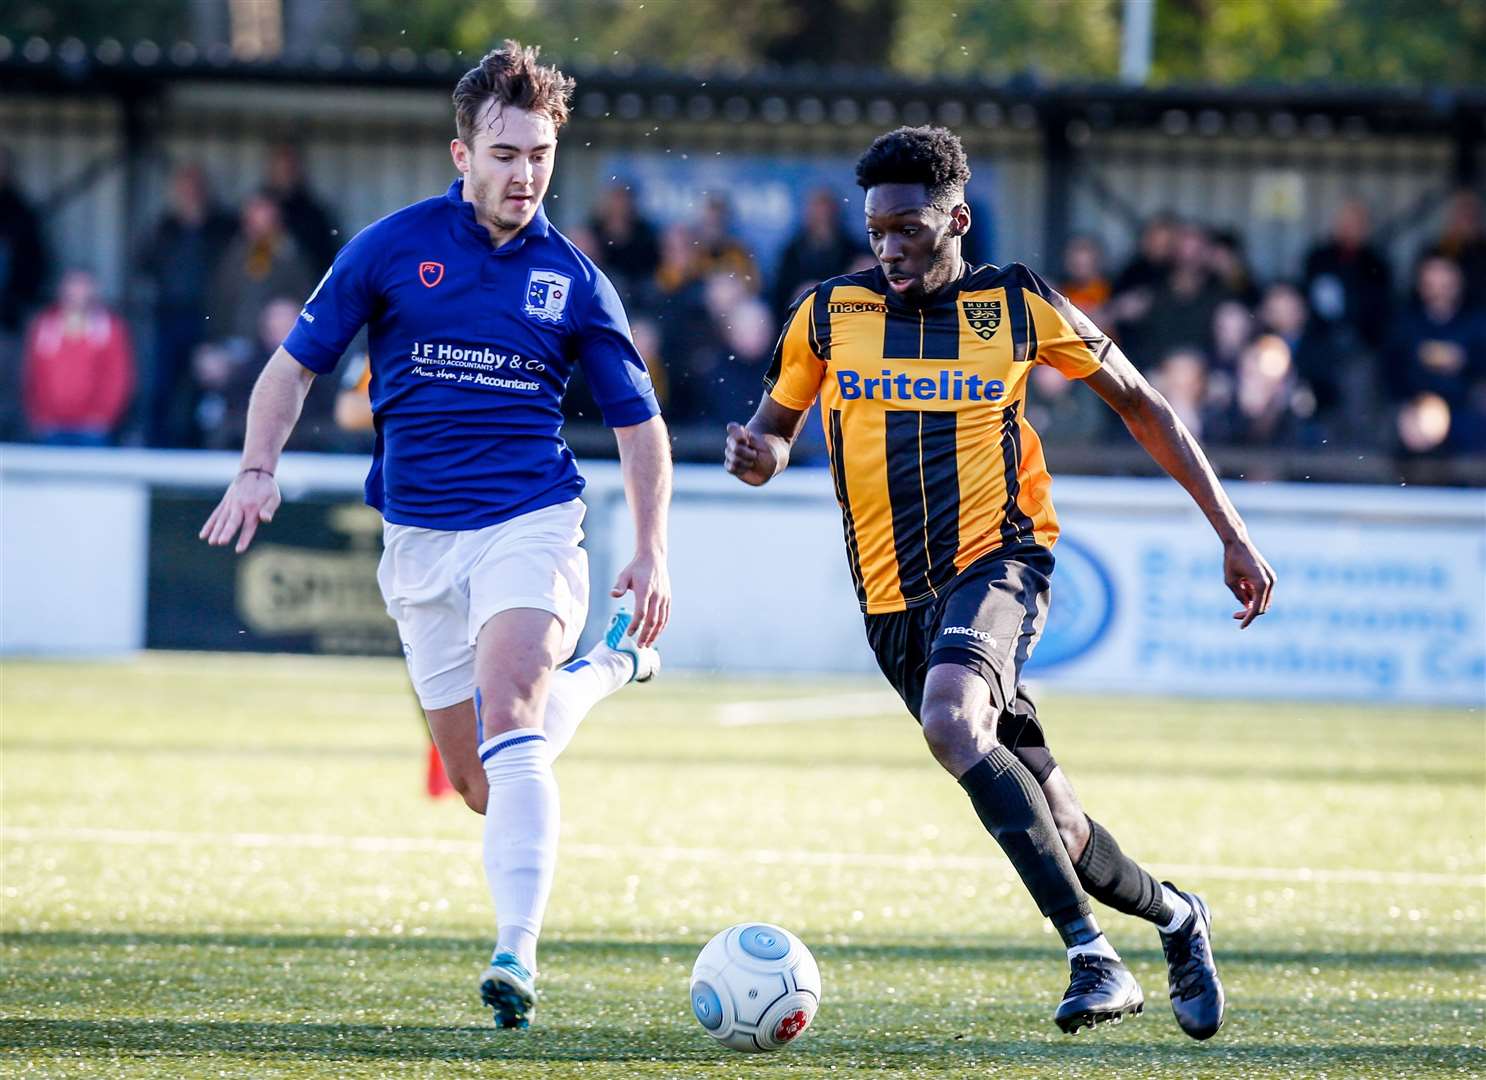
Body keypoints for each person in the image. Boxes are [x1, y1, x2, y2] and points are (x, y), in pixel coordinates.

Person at [724, 126, 1275, 1040]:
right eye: (877, 230)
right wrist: (756, 455)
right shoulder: (828, 313)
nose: (890, 246)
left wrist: (1233, 530)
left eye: (909, 226)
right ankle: (1179, 918)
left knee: (952, 721)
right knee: (1063, 828)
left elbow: (1142, 404)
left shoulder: (1017, 303)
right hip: (891, 601)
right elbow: (774, 435)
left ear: (957, 220)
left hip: (1001, 562)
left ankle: (1090, 955)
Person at [198, 41, 673, 1031]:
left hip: (530, 525)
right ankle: (607, 672)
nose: (525, 173)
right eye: (504, 153)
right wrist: (256, 467)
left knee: (509, 718)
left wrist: (650, 548)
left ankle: (516, 958)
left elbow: (640, 425)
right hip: (417, 546)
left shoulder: (576, 282)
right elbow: (291, 369)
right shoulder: (387, 248)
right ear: (461, 154)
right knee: (478, 782)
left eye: (540, 153)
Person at [138, 163, 238, 446]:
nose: (189, 193)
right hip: (168, 317)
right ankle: (156, 450)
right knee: (161, 387)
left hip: (207, 319)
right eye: (184, 187)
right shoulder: (165, 227)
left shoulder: (222, 227)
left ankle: (197, 451)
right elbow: (143, 264)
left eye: (195, 187)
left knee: (202, 393)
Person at [22, 268, 135, 445]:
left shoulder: (108, 329)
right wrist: (38, 415)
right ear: (61, 290)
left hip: (92, 428)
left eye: (82, 287)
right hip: (51, 426)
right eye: (72, 286)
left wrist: (104, 416)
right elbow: (32, 374)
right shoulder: (45, 326)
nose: (77, 294)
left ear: (93, 291)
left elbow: (117, 377)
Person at [263, 141, 342, 277]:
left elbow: (329, 262)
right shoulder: (258, 210)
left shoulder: (316, 216)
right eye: (280, 167)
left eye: (289, 168)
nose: (285, 172)